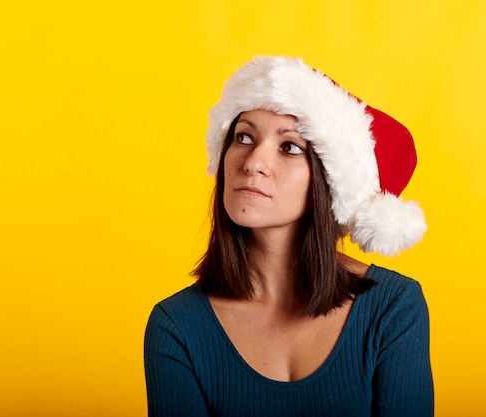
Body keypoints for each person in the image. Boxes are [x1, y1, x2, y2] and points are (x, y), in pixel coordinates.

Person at [144, 56, 433, 417]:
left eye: (290, 147)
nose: (253, 162)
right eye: (244, 137)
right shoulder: (176, 326)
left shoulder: (393, 307)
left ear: (329, 182)